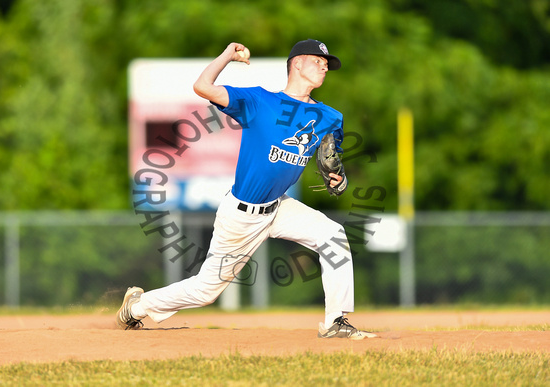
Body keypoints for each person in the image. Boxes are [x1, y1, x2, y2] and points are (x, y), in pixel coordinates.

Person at [117, 39, 378, 340]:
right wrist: (227, 54)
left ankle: (336, 321)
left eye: (326, 63)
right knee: (205, 291)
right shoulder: (259, 102)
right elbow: (202, 86)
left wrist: (336, 175)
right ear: (296, 64)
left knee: (333, 236)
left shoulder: (330, 118)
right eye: (317, 59)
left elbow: (332, 157)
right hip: (241, 214)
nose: (324, 65)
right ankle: (138, 306)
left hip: (279, 207)